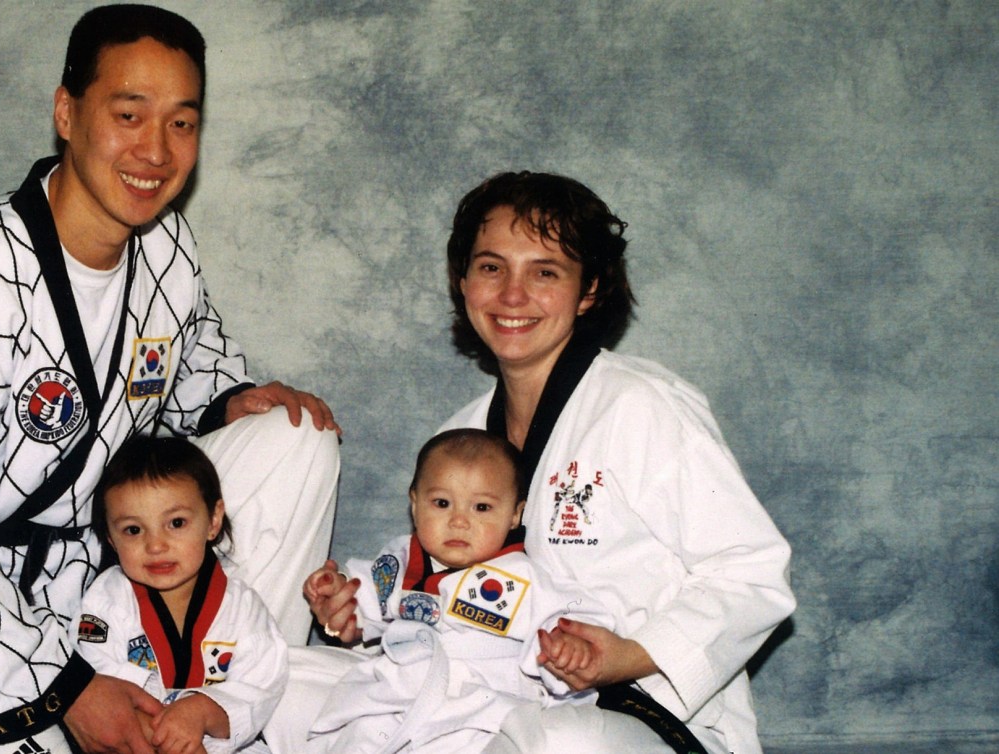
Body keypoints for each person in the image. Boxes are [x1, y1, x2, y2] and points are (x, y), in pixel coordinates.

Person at [0, 6, 339, 754]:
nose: (156, 149)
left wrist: (229, 399)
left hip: (119, 560)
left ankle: (228, 688)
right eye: (128, 114)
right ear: (66, 113)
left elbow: (184, 361)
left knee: (295, 438)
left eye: (182, 122)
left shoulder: (164, 245)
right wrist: (66, 686)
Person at [305, 172, 795, 754]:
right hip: (487, 701)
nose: (513, 296)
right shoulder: (459, 438)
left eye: (545, 272)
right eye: (491, 267)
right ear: (462, 281)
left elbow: (752, 574)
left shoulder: (642, 406)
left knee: (558, 742)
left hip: (637, 715)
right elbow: (436, 595)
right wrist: (356, 619)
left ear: (588, 290)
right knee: (288, 681)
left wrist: (627, 656)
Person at [302, 428, 613, 753]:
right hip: (401, 689)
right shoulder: (401, 559)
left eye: (481, 508)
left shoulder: (521, 575)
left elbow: (571, 615)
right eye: (442, 503)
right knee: (358, 731)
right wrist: (336, 591)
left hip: (483, 703)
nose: (459, 521)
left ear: (514, 514)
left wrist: (572, 647)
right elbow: (362, 594)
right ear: (415, 503)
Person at [73, 436, 287, 754]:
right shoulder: (106, 601)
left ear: (213, 521)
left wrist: (201, 711)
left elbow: (262, 684)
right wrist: (155, 732)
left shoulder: (242, 607)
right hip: (133, 740)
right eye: (133, 529)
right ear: (112, 538)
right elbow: (95, 676)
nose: (156, 545)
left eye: (176, 523)